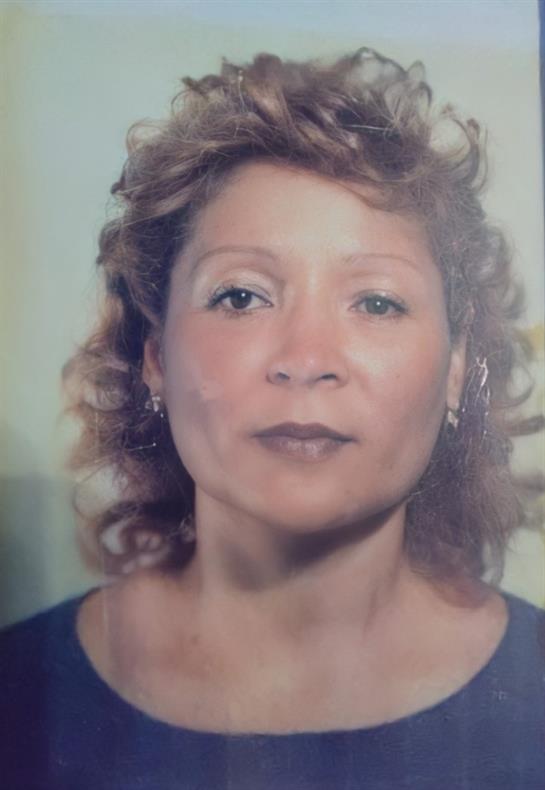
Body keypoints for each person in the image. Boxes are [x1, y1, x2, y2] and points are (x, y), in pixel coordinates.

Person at [1, 48, 543, 790]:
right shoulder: (18, 694)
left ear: (456, 371)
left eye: (377, 301)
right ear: (155, 360)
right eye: (241, 296)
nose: (305, 357)